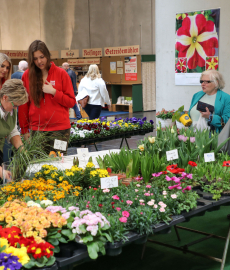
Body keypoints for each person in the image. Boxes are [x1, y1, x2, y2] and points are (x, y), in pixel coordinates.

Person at [18, 40, 76, 155]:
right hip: (37, 131)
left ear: (47, 55)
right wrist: (24, 130)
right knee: (40, 166)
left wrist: (54, 92)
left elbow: (71, 102)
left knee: (59, 165)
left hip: (60, 131)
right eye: (35, 59)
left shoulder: (61, 74)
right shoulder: (27, 76)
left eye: (42, 57)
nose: (39, 61)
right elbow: (24, 105)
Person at [0, 79, 28, 179]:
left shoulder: (11, 110)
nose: (16, 108)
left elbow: (13, 131)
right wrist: (1, 171)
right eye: (15, 105)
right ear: (5, 97)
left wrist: (23, 151)